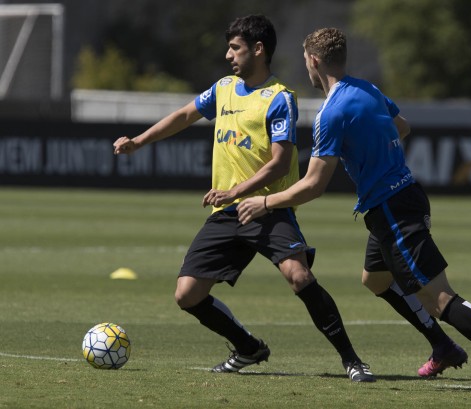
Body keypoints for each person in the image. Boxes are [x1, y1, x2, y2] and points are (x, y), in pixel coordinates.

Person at [236, 27, 471, 394]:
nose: (306, 68)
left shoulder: (331, 113)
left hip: (394, 209)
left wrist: (265, 201)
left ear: (314, 61)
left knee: (438, 296)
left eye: (305, 61)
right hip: (399, 199)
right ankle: (442, 346)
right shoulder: (367, 89)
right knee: (376, 280)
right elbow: (403, 127)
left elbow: (314, 186)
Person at [113, 15, 375, 382]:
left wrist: (237, 191)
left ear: (258, 49)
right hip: (227, 212)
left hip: (269, 208)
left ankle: (352, 360)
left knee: (299, 276)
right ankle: (249, 347)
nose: (228, 55)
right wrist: (138, 142)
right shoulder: (223, 88)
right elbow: (185, 115)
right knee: (186, 295)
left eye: (235, 48)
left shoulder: (279, 97)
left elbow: (280, 162)